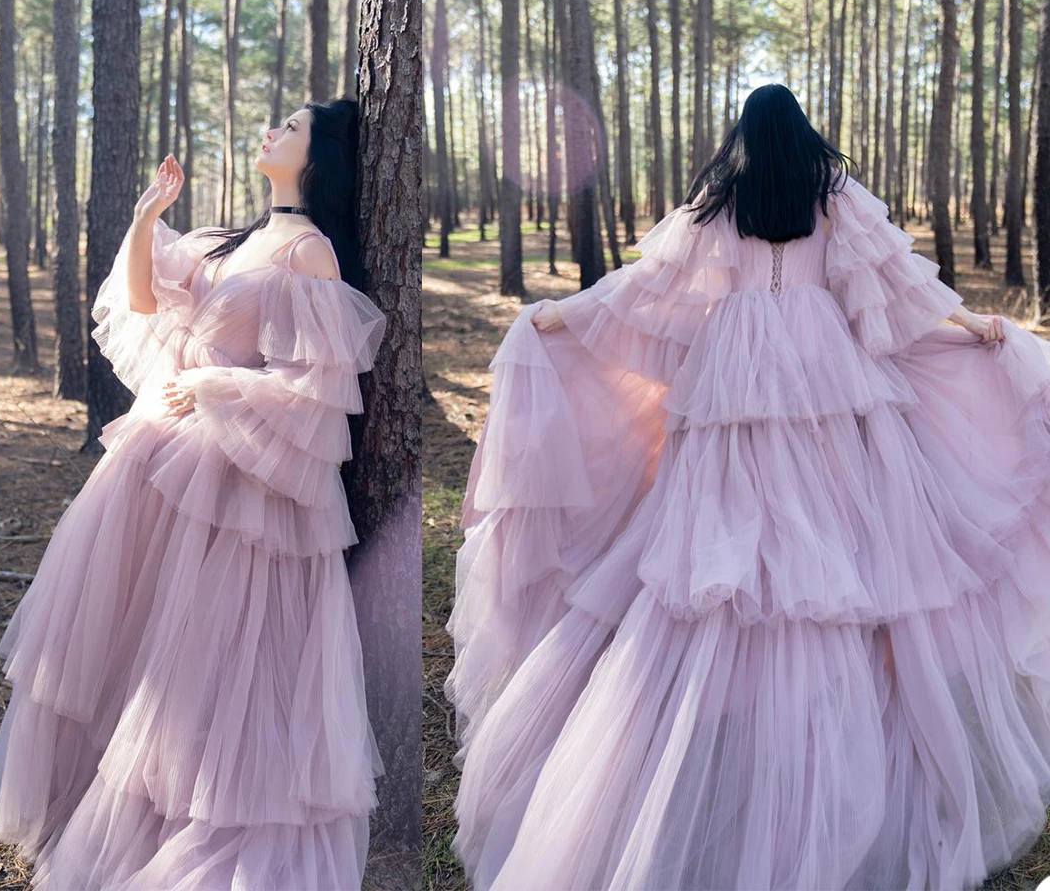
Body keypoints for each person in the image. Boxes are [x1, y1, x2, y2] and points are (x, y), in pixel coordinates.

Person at [445, 83, 1050, 891]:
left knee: (728, 535)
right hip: (820, 364)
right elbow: (895, 295)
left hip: (734, 369)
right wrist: (970, 326)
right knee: (832, 536)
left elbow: (643, 290)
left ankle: (730, 705)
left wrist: (565, 314)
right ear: (803, 137)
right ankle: (826, 706)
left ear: (742, 138)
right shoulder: (831, 195)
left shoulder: (719, 198)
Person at [0, 97, 387, 890]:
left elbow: (319, 387)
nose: (274, 130)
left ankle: (185, 826)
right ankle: (108, 808)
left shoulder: (309, 253)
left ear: (318, 160)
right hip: (163, 463)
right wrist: (146, 217)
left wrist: (211, 381)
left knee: (207, 660)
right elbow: (139, 300)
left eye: (294, 127)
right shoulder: (232, 241)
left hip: (241, 486)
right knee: (136, 650)